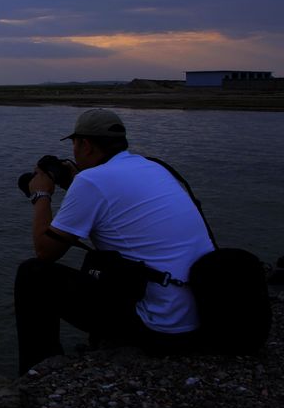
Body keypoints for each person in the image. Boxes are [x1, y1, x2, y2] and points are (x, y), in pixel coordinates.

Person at [14, 108, 214, 374]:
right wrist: (76, 179)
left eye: (74, 145)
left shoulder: (92, 181)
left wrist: (41, 194)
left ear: (85, 144)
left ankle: (37, 372)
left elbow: (45, 252)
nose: (74, 152)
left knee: (33, 275)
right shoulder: (154, 167)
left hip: (162, 328)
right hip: (203, 315)